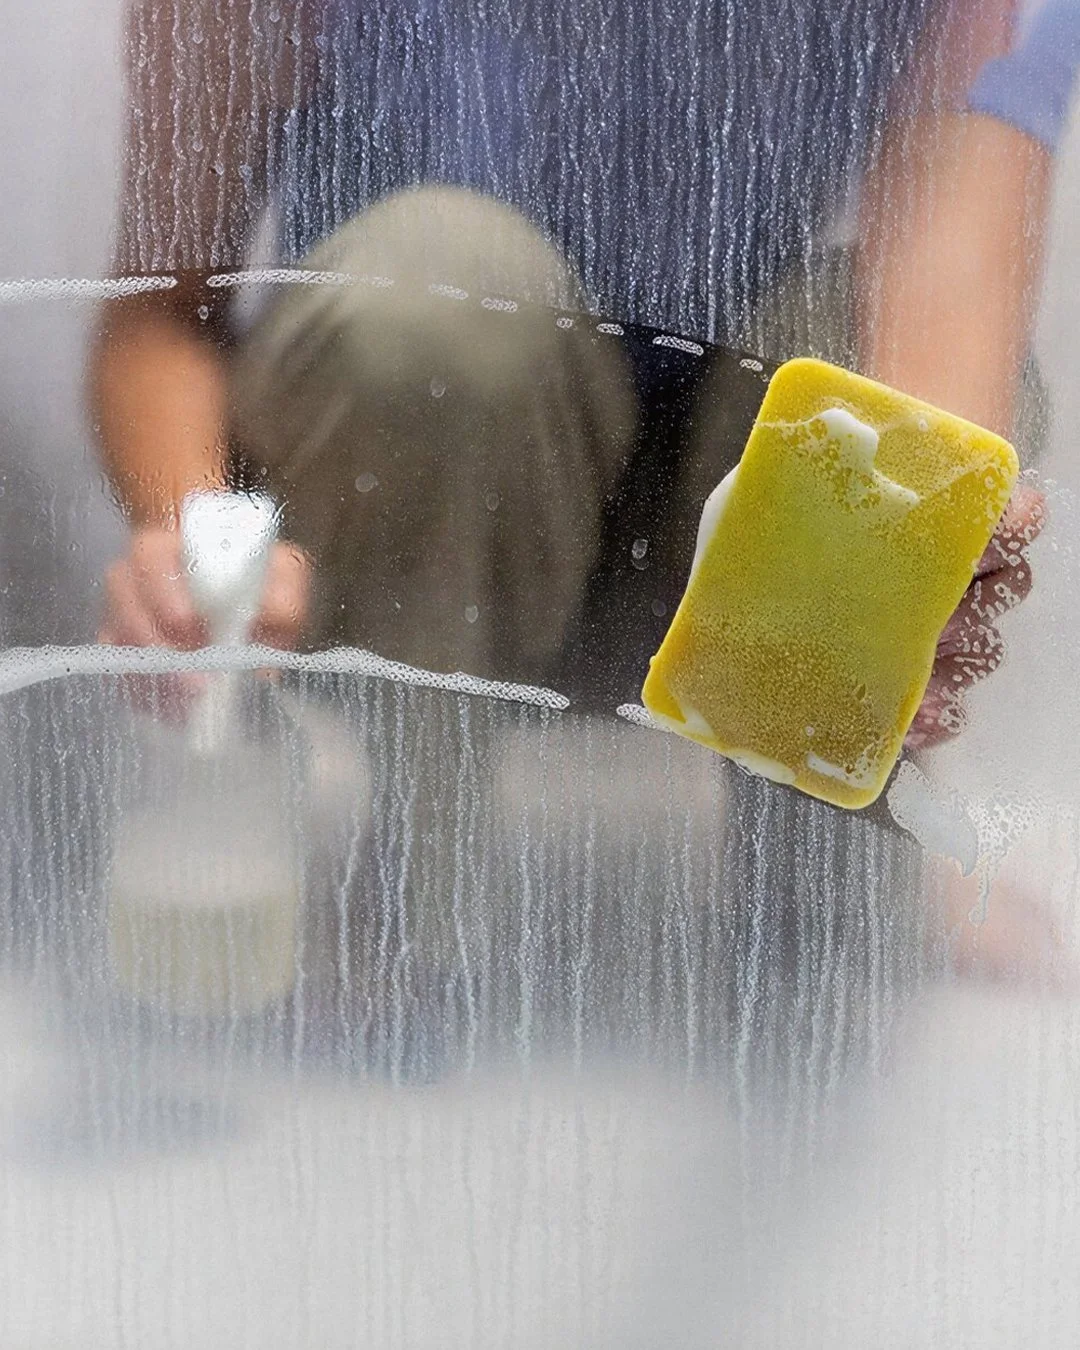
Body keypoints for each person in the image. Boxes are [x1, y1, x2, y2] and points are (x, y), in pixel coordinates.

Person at [94, 0, 1065, 728]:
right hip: (385, 538)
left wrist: (918, 570)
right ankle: (404, 912)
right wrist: (195, 548)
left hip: (696, 548)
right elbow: (165, 306)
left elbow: (937, 350)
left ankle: (827, 933)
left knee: (883, 438)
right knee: (441, 295)